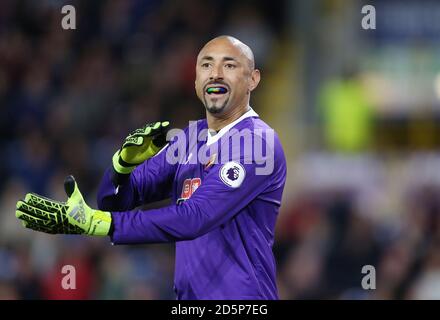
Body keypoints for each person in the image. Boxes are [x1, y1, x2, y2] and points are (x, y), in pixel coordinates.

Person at [15, 36, 287, 300]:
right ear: (195, 81)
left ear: (253, 79)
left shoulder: (256, 143)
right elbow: (116, 203)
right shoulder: (190, 139)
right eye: (206, 64)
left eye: (229, 65)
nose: (215, 73)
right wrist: (121, 166)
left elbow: (195, 217)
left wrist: (98, 224)